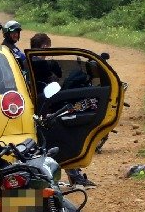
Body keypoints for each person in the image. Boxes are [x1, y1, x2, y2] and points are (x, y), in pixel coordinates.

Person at [30, 33, 96, 190]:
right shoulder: (40, 64)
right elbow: (55, 73)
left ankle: (71, 175)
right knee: (63, 138)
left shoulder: (30, 61)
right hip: (44, 109)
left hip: (40, 108)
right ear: (45, 47)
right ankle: (73, 176)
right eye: (48, 48)